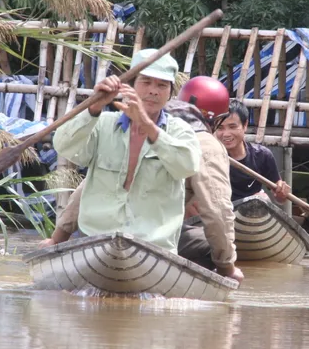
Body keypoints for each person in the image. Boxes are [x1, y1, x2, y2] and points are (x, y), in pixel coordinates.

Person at [44, 76, 244, 284]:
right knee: (207, 243)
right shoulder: (206, 143)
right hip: (150, 240)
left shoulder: (135, 122)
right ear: (215, 117)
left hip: (108, 235)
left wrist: (57, 239)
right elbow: (217, 209)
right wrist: (227, 266)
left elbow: (91, 186)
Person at [49, 49, 201, 253]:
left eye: (162, 85)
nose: (154, 91)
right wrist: (95, 107)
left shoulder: (180, 131)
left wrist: (147, 125)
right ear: (129, 87)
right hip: (96, 240)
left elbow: (187, 167)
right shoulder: (102, 124)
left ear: (170, 94)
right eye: (146, 82)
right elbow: (63, 145)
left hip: (153, 246)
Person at [214, 99, 291, 202]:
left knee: (263, 199)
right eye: (220, 128)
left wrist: (282, 192)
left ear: (245, 125)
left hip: (251, 212)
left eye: (232, 127)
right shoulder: (211, 157)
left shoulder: (262, 155)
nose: (226, 134)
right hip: (222, 210)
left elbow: (280, 199)